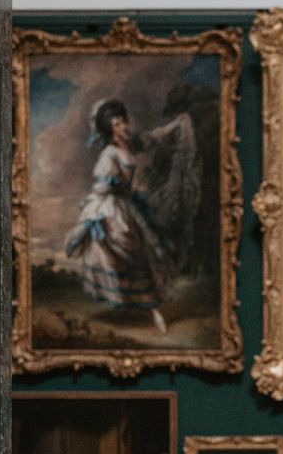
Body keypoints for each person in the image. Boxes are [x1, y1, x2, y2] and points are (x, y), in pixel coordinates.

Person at [64, 98, 197, 334]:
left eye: (123, 121)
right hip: (112, 209)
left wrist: (177, 124)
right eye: (116, 124)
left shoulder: (130, 144)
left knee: (143, 255)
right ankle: (135, 306)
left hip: (128, 206)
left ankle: (152, 309)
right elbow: (102, 187)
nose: (123, 126)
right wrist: (95, 203)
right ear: (108, 129)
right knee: (124, 253)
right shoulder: (109, 154)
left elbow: (154, 137)